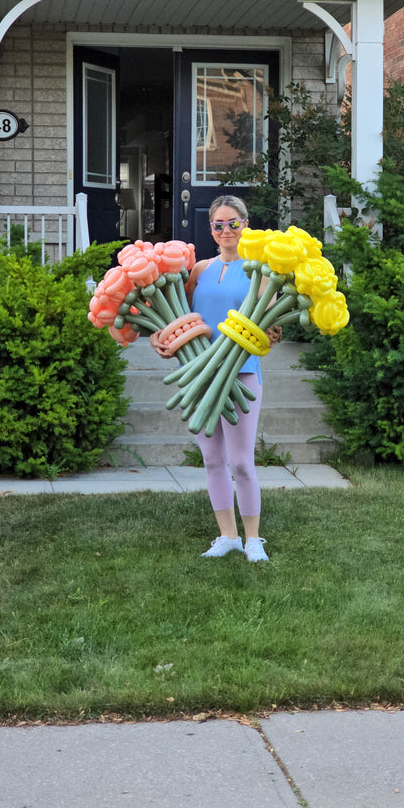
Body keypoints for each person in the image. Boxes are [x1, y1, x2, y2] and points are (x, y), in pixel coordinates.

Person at [150, 196, 282, 563]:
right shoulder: (199, 270)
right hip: (199, 373)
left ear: (246, 225)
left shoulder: (261, 271)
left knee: (240, 462)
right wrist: (158, 337)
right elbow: (178, 316)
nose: (227, 231)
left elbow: (270, 321)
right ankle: (228, 536)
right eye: (219, 225)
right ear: (211, 230)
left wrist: (273, 332)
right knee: (211, 459)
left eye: (233, 223)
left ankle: (253, 539)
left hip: (242, 374)